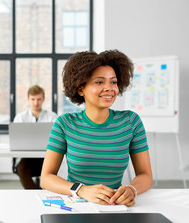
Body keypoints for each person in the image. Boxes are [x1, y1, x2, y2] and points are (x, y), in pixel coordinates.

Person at [40, 50, 153, 206]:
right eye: (99, 82)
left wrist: (132, 189)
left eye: (113, 82)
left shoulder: (131, 122)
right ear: (81, 89)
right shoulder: (64, 124)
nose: (109, 88)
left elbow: (145, 174)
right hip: (78, 203)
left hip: (114, 205)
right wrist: (81, 190)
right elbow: (46, 178)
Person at [14, 85, 58, 189]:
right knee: (22, 167)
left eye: (39, 99)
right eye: (33, 99)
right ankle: (36, 192)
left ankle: (43, 191)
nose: (36, 103)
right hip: (27, 157)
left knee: (52, 169)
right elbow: (16, 139)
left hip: (47, 156)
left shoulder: (52, 117)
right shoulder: (20, 117)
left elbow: (58, 139)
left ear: (43, 99)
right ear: (28, 99)